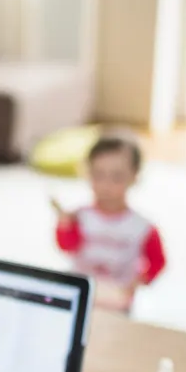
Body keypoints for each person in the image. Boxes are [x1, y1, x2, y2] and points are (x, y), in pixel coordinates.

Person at [51, 134, 166, 313]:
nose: (106, 185)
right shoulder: (80, 216)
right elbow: (67, 246)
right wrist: (65, 225)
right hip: (80, 296)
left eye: (117, 177)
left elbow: (158, 262)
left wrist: (139, 281)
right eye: (98, 175)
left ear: (134, 176)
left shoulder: (142, 227)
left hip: (117, 301)